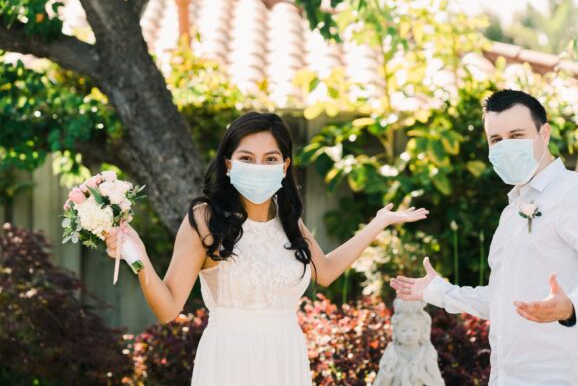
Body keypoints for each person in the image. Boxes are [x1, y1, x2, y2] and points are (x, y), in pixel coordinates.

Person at [105, 112, 428, 385]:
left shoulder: (287, 219)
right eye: (247, 158)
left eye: (270, 159)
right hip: (228, 361)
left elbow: (326, 272)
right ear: (229, 164)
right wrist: (139, 257)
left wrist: (378, 223)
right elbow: (168, 308)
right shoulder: (205, 220)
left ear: (284, 166)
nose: (259, 166)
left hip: (286, 357)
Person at [390, 89, 578, 385]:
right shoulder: (511, 212)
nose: (506, 146)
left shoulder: (576, 194)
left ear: (544, 134)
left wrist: (573, 304)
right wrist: (438, 291)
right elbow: (504, 299)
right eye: (496, 140)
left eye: (516, 135)